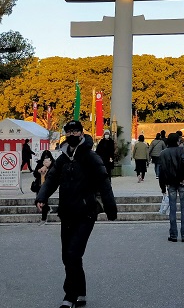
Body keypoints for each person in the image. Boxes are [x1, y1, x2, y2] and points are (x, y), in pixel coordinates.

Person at [36, 121, 117, 308]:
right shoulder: (62, 159)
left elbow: (104, 182)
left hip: (86, 213)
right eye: (69, 131)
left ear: (81, 133)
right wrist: (42, 197)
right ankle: (81, 292)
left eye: (76, 131)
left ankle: (69, 296)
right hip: (67, 212)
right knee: (68, 256)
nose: (72, 134)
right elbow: (51, 179)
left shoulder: (91, 157)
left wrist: (110, 207)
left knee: (73, 253)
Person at [158, 133, 184, 242]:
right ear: (177, 141)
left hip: (170, 182)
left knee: (172, 208)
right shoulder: (182, 151)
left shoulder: (163, 153)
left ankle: (173, 234)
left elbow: (161, 171)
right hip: (182, 182)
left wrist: (162, 186)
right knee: (183, 208)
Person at [34, 150, 56, 223]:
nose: (46, 159)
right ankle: (47, 210)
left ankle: (44, 218)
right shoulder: (40, 163)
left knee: (44, 200)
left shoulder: (53, 163)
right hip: (39, 184)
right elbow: (35, 174)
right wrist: (39, 171)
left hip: (47, 185)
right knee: (40, 199)